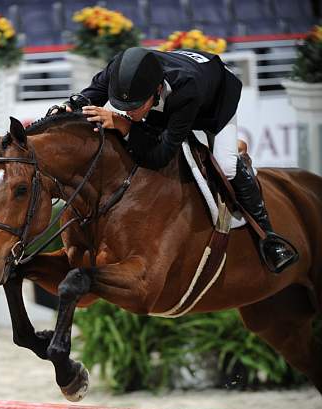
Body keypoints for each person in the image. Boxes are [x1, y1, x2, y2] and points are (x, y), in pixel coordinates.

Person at [52, 47, 297, 273]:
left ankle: (269, 237)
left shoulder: (187, 90)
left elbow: (160, 155)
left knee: (226, 165)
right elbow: (88, 97)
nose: (129, 111)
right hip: (175, 90)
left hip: (214, 102)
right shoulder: (120, 70)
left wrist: (124, 125)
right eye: (123, 105)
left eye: (135, 106)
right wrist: (68, 107)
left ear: (157, 90)